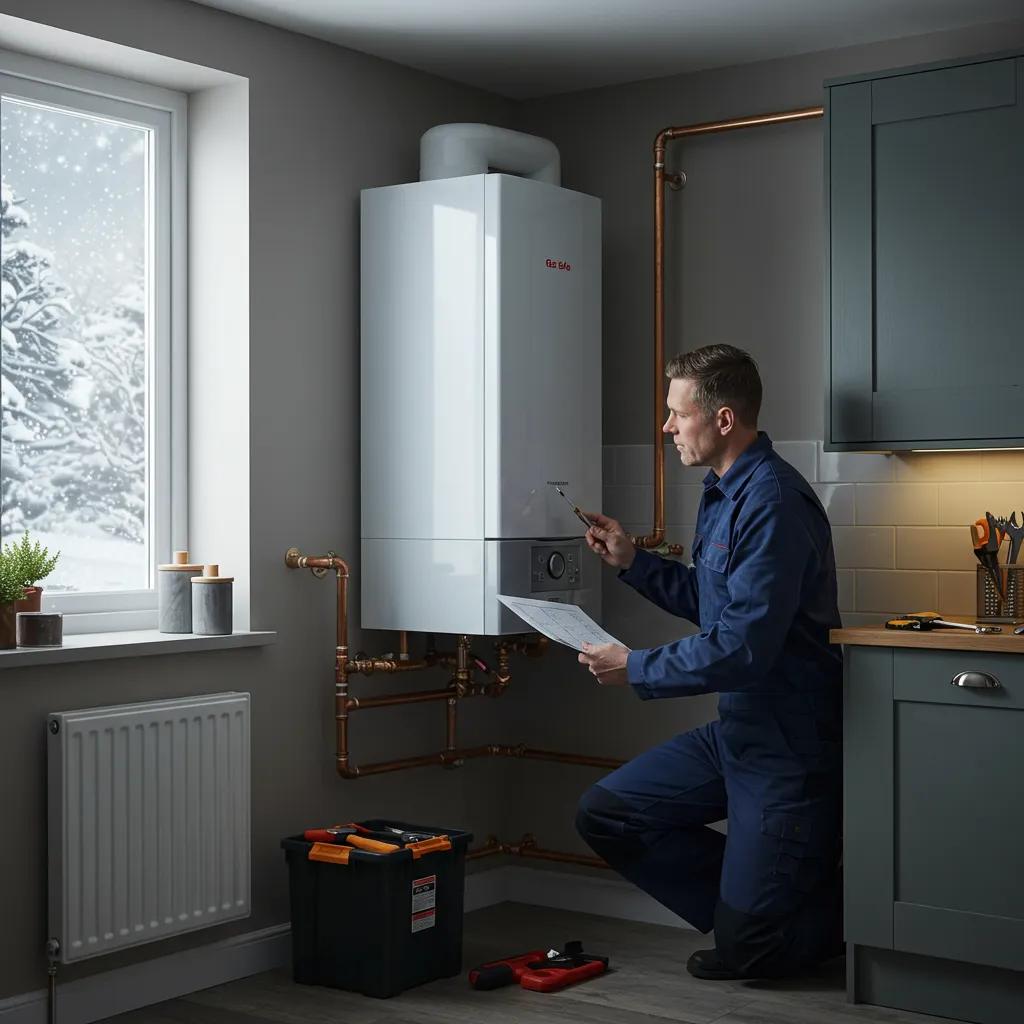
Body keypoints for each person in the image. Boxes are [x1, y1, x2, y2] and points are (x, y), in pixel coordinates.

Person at [575, 344, 843, 980]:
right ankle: (756, 907)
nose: (666, 426)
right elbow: (713, 601)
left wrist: (635, 667)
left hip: (790, 747)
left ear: (723, 420)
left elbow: (743, 646)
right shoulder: (724, 492)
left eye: (678, 413)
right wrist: (632, 562)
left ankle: (816, 910)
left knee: (750, 955)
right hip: (739, 733)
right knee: (607, 814)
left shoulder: (773, 502)